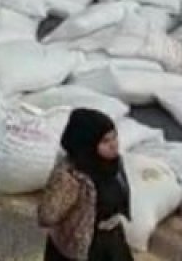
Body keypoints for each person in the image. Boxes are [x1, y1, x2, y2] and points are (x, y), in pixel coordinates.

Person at [39, 109, 132, 261]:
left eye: (115, 137)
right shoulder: (70, 176)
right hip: (79, 249)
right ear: (87, 144)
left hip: (112, 242)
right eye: (105, 141)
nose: (114, 145)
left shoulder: (113, 164)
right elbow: (47, 215)